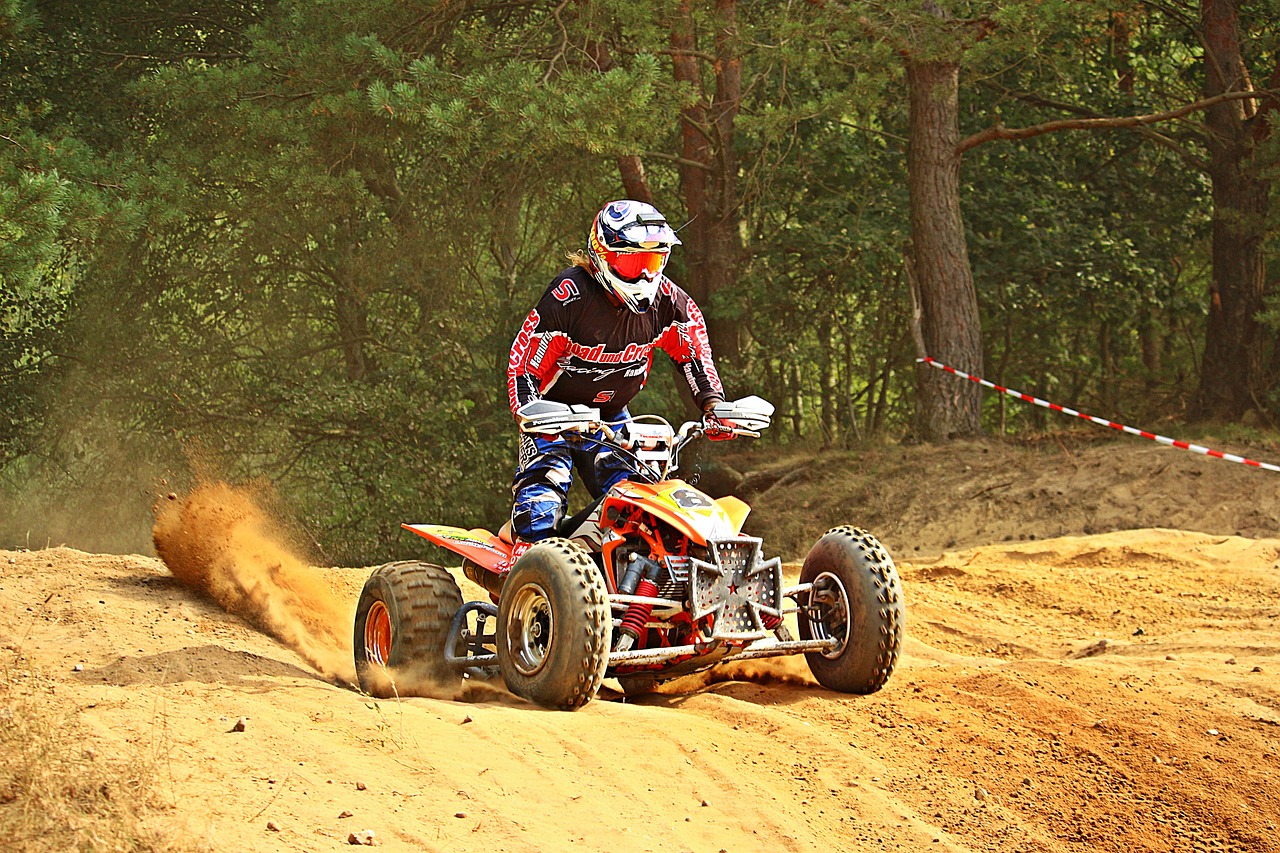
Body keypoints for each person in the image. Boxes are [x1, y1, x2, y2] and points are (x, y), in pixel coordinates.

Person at [506, 199, 732, 543]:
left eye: (653, 260)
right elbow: (524, 364)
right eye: (631, 261)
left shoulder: (670, 302)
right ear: (601, 255)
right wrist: (529, 412)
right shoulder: (570, 296)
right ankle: (527, 576)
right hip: (554, 417)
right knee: (542, 502)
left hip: (613, 418)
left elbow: (694, 355)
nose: (643, 274)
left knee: (641, 511)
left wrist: (714, 406)